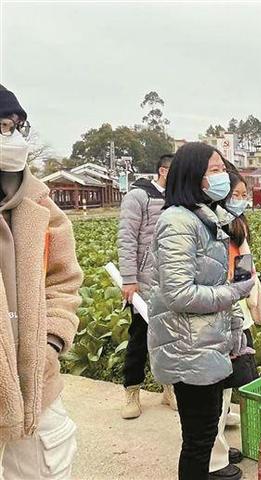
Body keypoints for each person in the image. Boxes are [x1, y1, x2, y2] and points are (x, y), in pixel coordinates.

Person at [148, 142, 255, 480]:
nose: (222, 175)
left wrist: (235, 323)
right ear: (192, 176)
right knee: (197, 441)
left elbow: (213, 277)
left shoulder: (206, 217)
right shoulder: (178, 221)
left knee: (206, 434)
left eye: (222, 168)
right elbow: (179, 294)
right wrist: (234, 292)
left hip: (206, 343)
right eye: (214, 170)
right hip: (187, 347)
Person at [0, 85, 83, 479]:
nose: (11, 138)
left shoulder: (39, 204)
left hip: (36, 386)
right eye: (1, 126)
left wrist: (49, 342)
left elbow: (64, 282)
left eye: (15, 127)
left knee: (48, 468)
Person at [209, 172, 261, 480]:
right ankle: (213, 459)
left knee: (228, 388)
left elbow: (244, 270)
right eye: (236, 193)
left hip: (235, 314)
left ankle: (217, 445)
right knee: (217, 393)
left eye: (245, 193)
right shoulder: (213, 225)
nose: (241, 198)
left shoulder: (236, 224)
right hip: (221, 315)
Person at [118, 153, 176, 419]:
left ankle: (169, 390)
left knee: (171, 340)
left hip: (172, 283)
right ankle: (132, 393)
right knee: (139, 339)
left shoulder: (177, 198)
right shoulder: (138, 196)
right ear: (163, 171)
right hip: (143, 283)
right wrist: (129, 279)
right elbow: (127, 239)